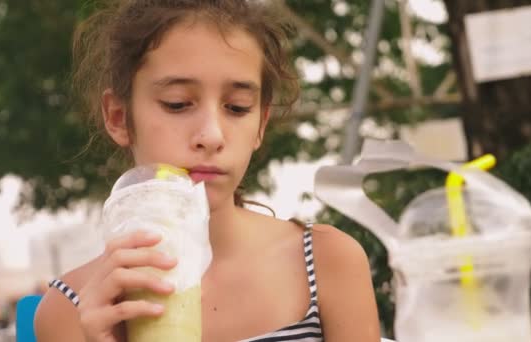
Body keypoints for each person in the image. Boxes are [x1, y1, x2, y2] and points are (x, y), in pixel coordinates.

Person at [34, 0, 380, 341]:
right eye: (178, 104)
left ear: (261, 124)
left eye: (237, 107)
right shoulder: (73, 312)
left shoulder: (326, 263)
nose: (212, 136)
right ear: (119, 117)